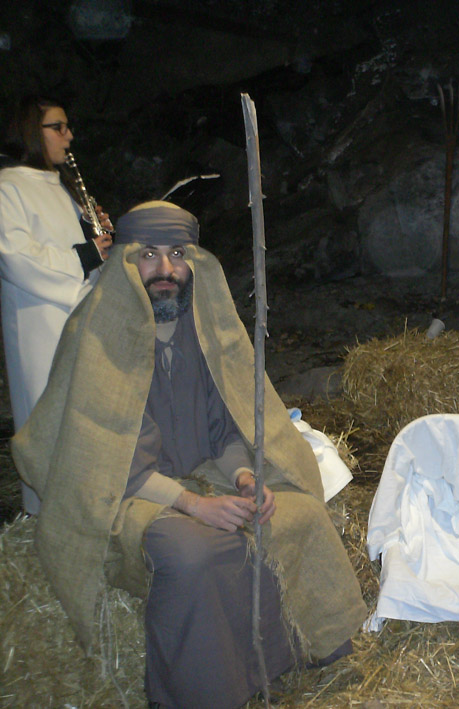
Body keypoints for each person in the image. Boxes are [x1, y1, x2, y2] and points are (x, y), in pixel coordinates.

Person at [12, 202, 367, 708]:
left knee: (299, 513)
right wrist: (195, 507)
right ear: (127, 264)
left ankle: (296, 653)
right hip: (122, 495)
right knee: (191, 555)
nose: (165, 269)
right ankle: (200, 694)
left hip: (202, 476)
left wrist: (245, 479)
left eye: (177, 254)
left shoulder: (202, 333)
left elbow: (224, 430)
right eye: (150, 255)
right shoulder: (96, 338)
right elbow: (109, 464)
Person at [0, 95, 112, 513]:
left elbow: (82, 253)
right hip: (40, 324)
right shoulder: (7, 187)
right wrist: (84, 256)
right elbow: (13, 255)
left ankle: (88, 510)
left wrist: (94, 233)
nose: (70, 136)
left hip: (78, 317)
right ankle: (50, 516)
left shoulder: (61, 188)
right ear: (33, 131)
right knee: (50, 419)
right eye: (59, 127)